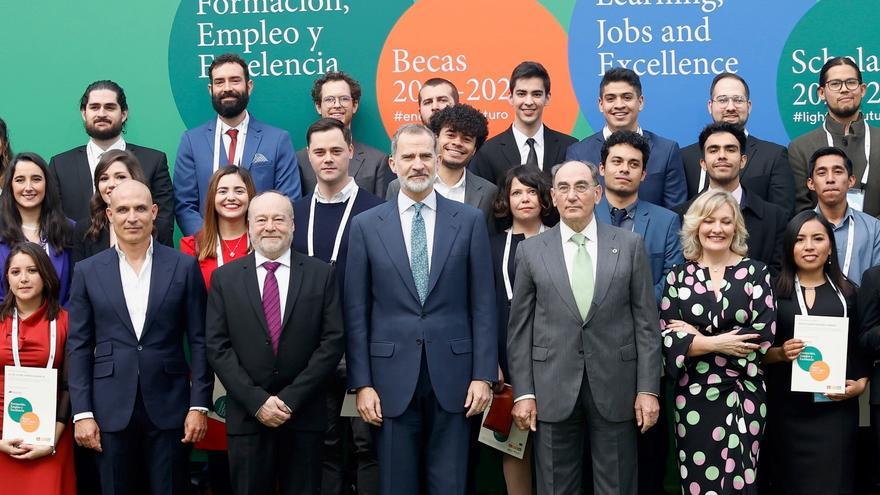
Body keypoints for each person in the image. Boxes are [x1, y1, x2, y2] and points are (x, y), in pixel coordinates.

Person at [345, 124, 497, 495]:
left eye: (426, 155)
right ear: (393, 164)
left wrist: (483, 375)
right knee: (397, 484)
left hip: (456, 377)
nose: (418, 165)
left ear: (438, 159)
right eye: (409, 157)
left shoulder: (469, 220)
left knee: (451, 484)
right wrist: (361, 384)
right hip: (388, 380)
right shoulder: (365, 226)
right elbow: (355, 310)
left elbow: (483, 304)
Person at [507, 160, 661, 494]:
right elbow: (520, 328)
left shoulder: (629, 245)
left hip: (616, 385)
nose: (572, 195)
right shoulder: (531, 251)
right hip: (551, 387)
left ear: (597, 192)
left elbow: (646, 325)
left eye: (581, 187)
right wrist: (524, 392)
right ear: (553, 196)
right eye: (563, 187)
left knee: (617, 485)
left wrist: (648, 389)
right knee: (555, 485)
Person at [67, 180, 211, 495]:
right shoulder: (88, 271)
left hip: (171, 405)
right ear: (109, 215)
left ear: (154, 212)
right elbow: (77, 346)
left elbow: (200, 341)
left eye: (140, 208)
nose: (132, 217)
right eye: (123, 209)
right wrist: (82, 413)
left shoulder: (184, 267)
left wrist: (199, 405)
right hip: (108, 408)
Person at [206, 191, 345, 495]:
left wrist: (291, 399)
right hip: (248, 416)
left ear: (293, 225)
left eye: (279, 219)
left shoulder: (321, 274)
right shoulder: (224, 279)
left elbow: (332, 341)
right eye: (261, 219)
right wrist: (257, 401)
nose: (270, 226)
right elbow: (217, 346)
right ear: (249, 225)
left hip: (304, 414)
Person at [660, 189, 776, 495]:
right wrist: (717, 344)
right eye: (709, 220)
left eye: (726, 221)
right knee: (697, 479)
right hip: (694, 395)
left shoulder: (756, 272)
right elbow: (670, 338)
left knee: (741, 477)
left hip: (744, 392)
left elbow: (762, 335)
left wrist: (696, 338)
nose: (717, 229)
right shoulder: (678, 276)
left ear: (736, 227)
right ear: (696, 225)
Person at [292, 117, 383, 495]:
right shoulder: (293, 214)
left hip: (365, 348)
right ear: (308, 157)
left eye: (335, 150)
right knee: (322, 445)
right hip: (312, 351)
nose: (327, 158)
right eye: (319, 152)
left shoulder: (378, 211)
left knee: (368, 445)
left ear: (350, 152)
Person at [763, 210, 867, 495]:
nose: (809, 246)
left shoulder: (850, 294)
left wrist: (861, 383)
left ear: (830, 246)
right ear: (789, 247)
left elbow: (860, 349)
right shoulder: (771, 293)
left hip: (834, 412)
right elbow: (755, 353)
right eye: (800, 240)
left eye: (818, 238)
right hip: (785, 411)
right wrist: (780, 354)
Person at [179, 165, 256, 495]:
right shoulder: (191, 247)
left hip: (257, 364)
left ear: (251, 196)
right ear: (211, 198)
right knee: (219, 458)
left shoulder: (263, 241)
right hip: (211, 365)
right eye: (223, 191)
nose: (231, 197)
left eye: (239, 190)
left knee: (256, 455)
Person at [174, 53, 301, 236]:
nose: (227, 88)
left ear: (249, 86)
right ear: (210, 89)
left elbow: (288, 201)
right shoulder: (191, 141)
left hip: (261, 248)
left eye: (235, 80)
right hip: (209, 253)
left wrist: (255, 241)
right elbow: (184, 205)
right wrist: (213, 245)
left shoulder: (278, 140)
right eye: (219, 82)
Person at [489, 165, 555, 495]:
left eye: (532, 191)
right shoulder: (489, 245)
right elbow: (481, 308)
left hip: (556, 359)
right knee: (514, 444)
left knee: (556, 447)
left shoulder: (561, 242)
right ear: (505, 199)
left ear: (545, 198)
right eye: (516, 192)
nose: (525, 198)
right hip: (506, 360)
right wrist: (490, 362)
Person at [48, 80, 174, 245]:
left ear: (123, 114)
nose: (101, 113)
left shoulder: (153, 161)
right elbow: (54, 220)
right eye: (94, 107)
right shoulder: (60, 165)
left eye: (109, 107)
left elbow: (163, 222)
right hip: (79, 261)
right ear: (84, 113)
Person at [0, 242, 76, 494]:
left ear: (46, 275)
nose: (23, 279)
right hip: (3, 435)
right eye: (15, 272)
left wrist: (51, 440)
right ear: (7, 278)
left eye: (32, 271)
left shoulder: (67, 322)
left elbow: (71, 384)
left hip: (51, 432)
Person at [674, 123, 787, 275]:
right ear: (703, 163)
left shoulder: (774, 217)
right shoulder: (679, 217)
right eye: (713, 150)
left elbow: (778, 277)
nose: (722, 155)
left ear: (743, 161)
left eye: (730, 149)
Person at [566, 68, 687, 209]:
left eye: (627, 97)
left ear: (640, 102)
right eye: (611, 99)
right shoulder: (578, 153)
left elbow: (676, 212)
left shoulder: (666, 151)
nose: (619, 105)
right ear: (601, 104)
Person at [680, 73, 795, 217]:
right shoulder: (685, 157)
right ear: (710, 106)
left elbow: (782, 218)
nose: (730, 107)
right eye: (722, 100)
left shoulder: (774, 156)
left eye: (738, 100)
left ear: (749, 106)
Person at [597, 130, 683, 300]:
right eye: (617, 161)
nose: (624, 169)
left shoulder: (666, 222)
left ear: (643, 174)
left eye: (634, 164)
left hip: (646, 320)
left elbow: (672, 278)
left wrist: (638, 306)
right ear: (602, 168)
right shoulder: (583, 217)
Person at [790, 57, 880, 216]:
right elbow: (801, 212)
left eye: (851, 82)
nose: (844, 89)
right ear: (821, 93)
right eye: (835, 84)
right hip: (822, 238)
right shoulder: (801, 148)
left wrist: (871, 233)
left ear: (863, 89)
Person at [387, 104, 497, 233]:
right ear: (436, 139)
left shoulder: (488, 192)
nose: (457, 143)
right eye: (450, 135)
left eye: (466, 139)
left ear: (474, 150)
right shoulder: (398, 186)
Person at [470, 61, 578, 186]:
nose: (528, 101)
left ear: (547, 98)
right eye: (521, 94)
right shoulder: (488, 151)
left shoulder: (570, 147)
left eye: (536, 94)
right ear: (510, 98)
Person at [297, 72, 390, 198]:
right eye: (329, 99)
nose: (337, 105)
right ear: (318, 107)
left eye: (344, 99)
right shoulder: (300, 160)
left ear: (355, 105)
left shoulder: (377, 161)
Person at [0, 153, 72, 305]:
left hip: (62, 325)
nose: (28, 187)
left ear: (47, 184)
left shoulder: (70, 229)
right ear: (10, 186)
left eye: (36, 179)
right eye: (20, 180)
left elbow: (77, 291)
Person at [809, 146, 880, 285]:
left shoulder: (874, 228)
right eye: (822, 173)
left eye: (837, 171)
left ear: (851, 181)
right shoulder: (799, 228)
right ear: (811, 183)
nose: (830, 179)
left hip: (862, 305)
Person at [71, 150, 148, 264]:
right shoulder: (84, 230)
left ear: (135, 179)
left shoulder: (158, 227)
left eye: (120, 177)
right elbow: (78, 278)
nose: (111, 184)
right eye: (104, 178)